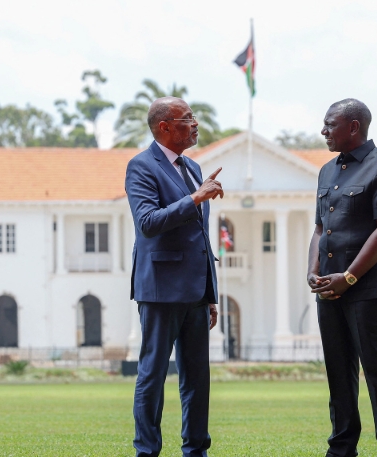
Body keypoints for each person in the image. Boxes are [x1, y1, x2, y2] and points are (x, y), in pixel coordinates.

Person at [125, 96, 224, 457]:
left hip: (196, 291)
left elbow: (201, 235)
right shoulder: (141, 167)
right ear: (164, 127)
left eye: (194, 116)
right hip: (161, 288)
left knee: (197, 379)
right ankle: (147, 450)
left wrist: (211, 293)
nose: (195, 123)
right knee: (152, 375)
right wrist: (195, 198)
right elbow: (148, 223)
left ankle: (196, 450)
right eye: (187, 118)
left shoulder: (194, 168)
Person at [307, 99, 377, 457]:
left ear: (353, 127)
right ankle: (342, 448)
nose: (323, 131)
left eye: (330, 124)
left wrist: (348, 278)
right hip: (328, 291)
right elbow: (320, 228)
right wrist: (313, 270)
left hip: (367, 289)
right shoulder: (326, 172)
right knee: (338, 372)